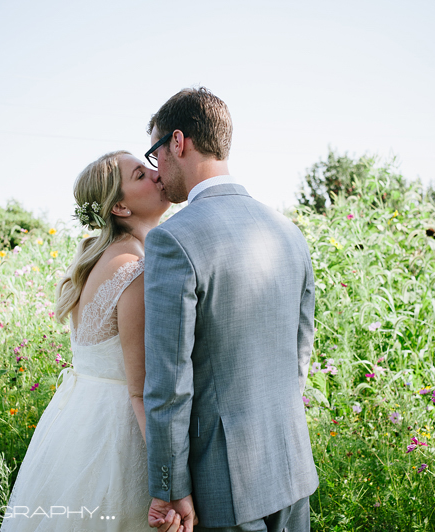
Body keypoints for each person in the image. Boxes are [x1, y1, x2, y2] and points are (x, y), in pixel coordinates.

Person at [142, 88, 319, 532]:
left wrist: (170, 485)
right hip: (291, 467)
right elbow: (300, 354)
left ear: (177, 142)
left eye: (155, 151)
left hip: (222, 483)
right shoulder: (289, 232)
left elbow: (169, 383)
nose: (156, 169)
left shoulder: (174, 239)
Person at [1, 150, 183, 532]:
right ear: (119, 206)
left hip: (82, 420)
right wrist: (168, 484)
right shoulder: (132, 268)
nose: (155, 174)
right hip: (118, 436)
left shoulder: (110, 257)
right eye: (139, 174)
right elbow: (140, 389)